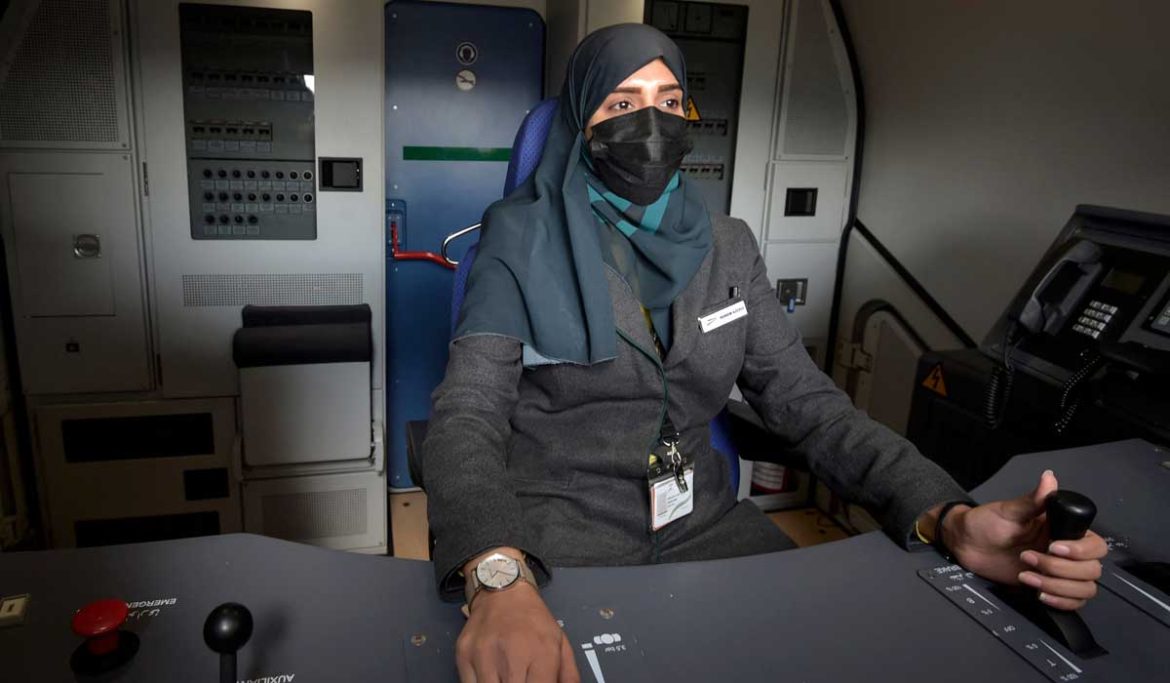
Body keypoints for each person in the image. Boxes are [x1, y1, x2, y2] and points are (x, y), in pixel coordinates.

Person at [419, 23, 1107, 683]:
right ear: (579, 122)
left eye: (668, 101)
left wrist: (947, 515)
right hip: (560, 543)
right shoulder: (515, 245)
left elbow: (809, 404)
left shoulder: (728, 246)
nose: (651, 124)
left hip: (707, 529)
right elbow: (467, 416)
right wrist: (497, 572)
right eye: (622, 105)